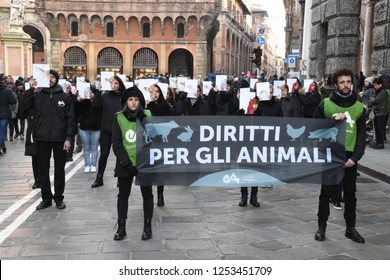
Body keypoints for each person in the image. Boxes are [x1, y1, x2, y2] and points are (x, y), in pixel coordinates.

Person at [313, 68, 366, 243]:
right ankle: (322, 226)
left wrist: (355, 158)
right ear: (336, 84)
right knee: (325, 192)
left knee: (350, 193)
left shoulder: (359, 107)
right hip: (330, 154)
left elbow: (361, 136)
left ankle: (350, 228)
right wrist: (333, 121)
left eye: (348, 82)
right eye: (342, 82)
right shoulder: (326, 104)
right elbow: (315, 129)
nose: (346, 85)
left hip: (349, 157)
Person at [22, 70, 75, 210]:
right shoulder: (36, 95)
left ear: (57, 79)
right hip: (41, 137)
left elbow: (70, 119)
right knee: (43, 170)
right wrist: (30, 89)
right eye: (48, 77)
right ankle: (46, 198)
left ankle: (58, 198)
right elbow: (23, 111)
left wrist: (69, 138)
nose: (50, 79)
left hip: (60, 138)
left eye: (53, 77)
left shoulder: (65, 97)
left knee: (59, 170)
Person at [112, 87, 153, 241]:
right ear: (126, 102)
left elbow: (153, 138)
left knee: (147, 195)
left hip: (144, 163)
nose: (133, 102)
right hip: (125, 163)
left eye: (136, 100)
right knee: (123, 195)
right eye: (130, 99)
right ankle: (121, 227)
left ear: (140, 102)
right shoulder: (119, 117)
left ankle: (147, 226)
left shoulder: (147, 115)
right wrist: (127, 163)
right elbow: (116, 143)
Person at [91, 75, 126, 188]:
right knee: (104, 154)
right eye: (111, 83)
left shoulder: (124, 96)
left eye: (116, 83)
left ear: (120, 84)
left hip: (120, 129)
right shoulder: (105, 96)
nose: (113, 85)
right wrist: (98, 92)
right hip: (106, 129)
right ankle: (99, 177)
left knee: (119, 154)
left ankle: (120, 178)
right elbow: (95, 107)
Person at [146, 83, 172, 206]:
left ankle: (160, 193)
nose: (154, 94)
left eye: (156, 91)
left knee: (160, 169)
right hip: (148, 141)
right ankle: (149, 194)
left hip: (160, 141)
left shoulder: (166, 107)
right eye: (151, 92)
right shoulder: (146, 107)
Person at [75, 86, 103, 173]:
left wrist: (98, 93)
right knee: (86, 147)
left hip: (96, 128)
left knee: (94, 147)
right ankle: (87, 165)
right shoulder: (83, 102)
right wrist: (78, 102)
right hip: (84, 127)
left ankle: (94, 165)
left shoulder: (98, 102)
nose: (90, 94)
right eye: (88, 92)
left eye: (91, 92)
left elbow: (101, 111)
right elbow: (76, 112)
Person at [23, 77, 41, 189]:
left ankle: (43, 179)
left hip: (45, 129)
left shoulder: (47, 93)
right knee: (35, 156)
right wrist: (30, 90)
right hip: (34, 129)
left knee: (43, 157)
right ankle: (37, 179)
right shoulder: (31, 93)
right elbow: (24, 111)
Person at [0, 74, 17, 155]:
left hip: (4, 113)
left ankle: (2, 147)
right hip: (4, 113)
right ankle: (1, 146)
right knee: (2, 131)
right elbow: (13, 101)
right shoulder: (7, 90)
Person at [370, 76, 388, 149]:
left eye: (376, 85)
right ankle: (377, 142)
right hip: (377, 112)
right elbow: (372, 98)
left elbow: (376, 100)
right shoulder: (378, 91)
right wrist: (372, 99)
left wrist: (372, 99)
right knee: (376, 128)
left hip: (381, 112)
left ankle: (380, 143)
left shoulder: (383, 92)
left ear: (380, 85)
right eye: (374, 85)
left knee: (380, 128)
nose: (374, 87)